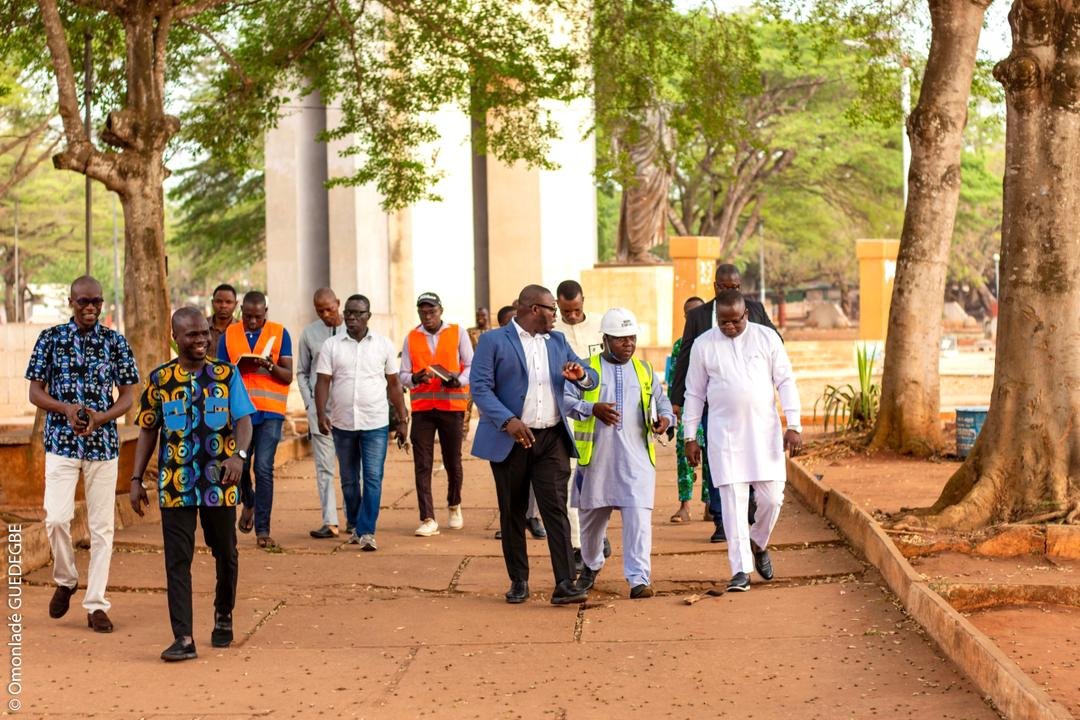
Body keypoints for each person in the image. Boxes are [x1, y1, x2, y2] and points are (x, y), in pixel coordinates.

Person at [129, 308, 255, 662]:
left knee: (226, 553)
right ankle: (183, 637)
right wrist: (136, 479)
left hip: (220, 480)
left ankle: (223, 613)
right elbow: (148, 429)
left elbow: (244, 419)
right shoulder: (160, 379)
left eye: (204, 333)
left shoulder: (226, 374)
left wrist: (239, 458)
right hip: (175, 484)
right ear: (176, 339)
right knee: (177, 561)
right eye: (192, 335)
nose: (201, 340)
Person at [470, 284, 599, 605]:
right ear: (532, 309)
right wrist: (508, 421)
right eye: (551, 309)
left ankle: (565, 582)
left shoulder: (557, 341)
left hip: (551, 438)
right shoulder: (493, 341)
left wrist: (580, 375)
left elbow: (591, 377)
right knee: (513, 511)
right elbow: (480, 388)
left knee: (555, 509)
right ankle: (519, 580)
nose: (557, 315)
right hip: (511, 438)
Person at [25, 275, 140, 634]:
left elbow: (127, 394)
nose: (90, 308)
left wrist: (101, 418)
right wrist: (65, 409)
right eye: (83, 302)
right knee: (56, 519)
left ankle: (96, 605)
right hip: (60, 441)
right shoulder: (51, 339)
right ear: (71, 301)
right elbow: (35, 392)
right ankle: (67, 579)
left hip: (103, 446)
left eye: (97, 302)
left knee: (102, 528)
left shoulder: (115, 342)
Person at [682, 289, 802, 592]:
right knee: (733, 504)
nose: (730, 327)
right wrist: (689, 436)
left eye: (735, 321)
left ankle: (758, 543)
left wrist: (794, 424)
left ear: (745, 314)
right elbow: (694, 393)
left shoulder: (766, 338)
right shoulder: (703, 345)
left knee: (772, 498)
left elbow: (785, 381)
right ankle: (740, 570)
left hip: (765, 434)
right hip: (725, 436)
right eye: (724, 322)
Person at [564, 308, 674, 599]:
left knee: (638, 523)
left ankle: (638, 578)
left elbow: (662, 403)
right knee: (591, 525)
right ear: (605, 340)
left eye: (632, 338)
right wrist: (592, 409)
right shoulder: (586, 369)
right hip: (597, 462)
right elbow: (566, 401)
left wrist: (665, 420)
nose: (628, 344)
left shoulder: (645, 370)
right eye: (620, 339)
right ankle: (591, 565)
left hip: (636, 462)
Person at [669, 264, 779, 541]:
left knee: (753, 457)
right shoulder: (698, 316)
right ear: (716, 287)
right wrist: (676, 400)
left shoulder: (755, 310)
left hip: (752, 408)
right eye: (726, 287)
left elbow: (776, 346)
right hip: (710, 404)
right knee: (717, 461)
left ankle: (750, 510)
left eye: (736, 287)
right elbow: (685, 358)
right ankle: (721, 518)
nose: (732, 291)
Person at [315, 294, 409, 551]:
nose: (352, 318)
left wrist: (402, 419)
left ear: (368, 316)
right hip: (343, 424)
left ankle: (367, 531)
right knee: (348, 479)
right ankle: (356, 523)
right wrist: (321, 413)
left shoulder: (383, 345)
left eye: (358, 314)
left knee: (373, 477)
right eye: (349, 313)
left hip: (375, 422)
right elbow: (322, 381)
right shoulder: (332, 346)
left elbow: (394, 385)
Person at [217, 291, 294, 549]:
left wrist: (269, 365)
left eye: (257, 317)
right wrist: (237, 368)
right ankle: (248, 501)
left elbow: (287, 376)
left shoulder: (281, 333)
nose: (252, 322)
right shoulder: (229, 335)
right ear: (242, 313)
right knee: (239, 464)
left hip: (271, 411)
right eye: (248, 316)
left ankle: (263, 529)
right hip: (240, 414)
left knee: (263, 467)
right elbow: (219, 374)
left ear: (265, 313)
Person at [399, 292, 472, 536]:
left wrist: (458, 381)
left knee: (453, 460)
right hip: (422, 410)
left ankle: (454, 504)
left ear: (441, 310)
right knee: (422, 463)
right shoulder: (411, 337)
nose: (427, 316)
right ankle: (427, 517)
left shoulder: (457, 332)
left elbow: (471, 365)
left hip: (451, 406)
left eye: (432, 311)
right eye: (423, 312)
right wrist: (415, 378)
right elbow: (402, 375)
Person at [552, 279, 607, 567]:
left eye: (575, 310)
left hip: (602, 411)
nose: (571, 316)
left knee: (601, 475)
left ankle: (598, 533)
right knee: (572, 476)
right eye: (566, 311)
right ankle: (577, 543)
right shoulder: (553, 332)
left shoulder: (600, 325)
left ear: (583, 301)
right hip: (569, 413)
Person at [297, 288, 344, 539]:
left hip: (349, 413)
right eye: (320, 310)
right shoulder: (309, 333)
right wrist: (309, 403)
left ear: (339, 303)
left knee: (351, 467)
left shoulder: (353, 330)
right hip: (319, 412)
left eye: (330, 308)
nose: (326, 314)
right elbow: (302, 372)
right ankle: (330, 521)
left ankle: (355, 519)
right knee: (324, 467)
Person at [667, 296, 709, 524]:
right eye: (688, 314)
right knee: (685, 456)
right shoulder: (680, 345)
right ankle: (684, 505)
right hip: (687, 409)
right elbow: (675, 378)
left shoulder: (716, 341)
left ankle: (710, 505)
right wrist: (674, 408)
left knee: (712, 455)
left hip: (712, 408)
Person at [206, 284, 237, 360]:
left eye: (228, 302)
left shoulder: (242, 329)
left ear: (235, 304)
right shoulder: (201, 326)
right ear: (212, 303)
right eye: (219, 301)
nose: (223, 305)